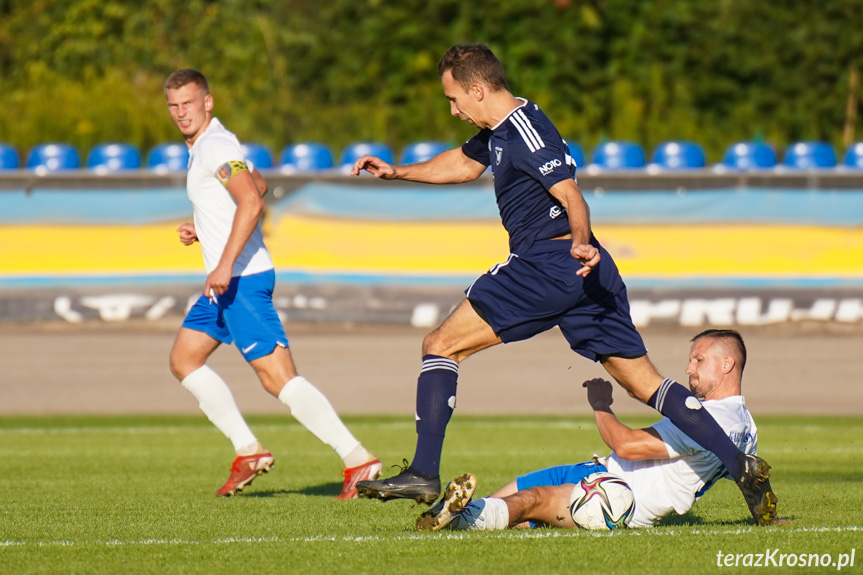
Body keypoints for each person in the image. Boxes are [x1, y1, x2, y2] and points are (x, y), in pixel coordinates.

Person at [351, 44, 777, 525]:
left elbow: (572, 194)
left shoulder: (527, 132)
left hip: (551, 261)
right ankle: (742, 468)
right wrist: (398, 171)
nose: (452, 110)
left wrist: (579, 243)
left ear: (477, 88)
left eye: (454, 99)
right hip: (586, 273)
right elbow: (463, 164)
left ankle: (425, 472)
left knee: (440, 345)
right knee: (645, 384)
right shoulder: (497, 133)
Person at [164, 68, 381, 498]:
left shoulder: (216, 146)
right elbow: (256, 183)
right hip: (228, 282)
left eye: (188, 103)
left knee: (278, 378)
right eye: (173, 106)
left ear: (208, 102)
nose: (181, 113)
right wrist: (206, 229)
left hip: (240, 280)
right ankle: (248, 450)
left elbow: (251, 199)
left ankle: (358, 459)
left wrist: (224, 263)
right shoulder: (212, 144)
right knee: (184, 359)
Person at [419, 330, 774, 531]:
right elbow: (750, 477)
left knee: (531, 502)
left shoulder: (707, 421)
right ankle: (457, 519)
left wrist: (601, 404)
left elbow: (628, 446)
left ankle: (454, 520)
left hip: (618, 497)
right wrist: (767, 517)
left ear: (727, 363)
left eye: (699, 360)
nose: (689, 368)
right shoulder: (745, 424)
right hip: (598, 471)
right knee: (509, 499)